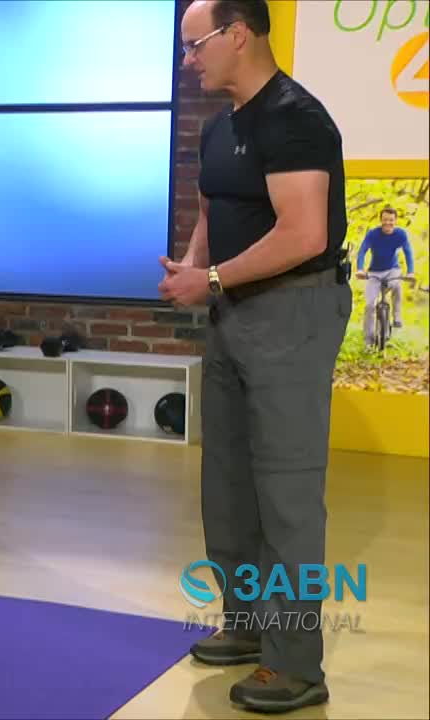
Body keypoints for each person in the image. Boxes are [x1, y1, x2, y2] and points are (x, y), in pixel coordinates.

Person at [159, 0, 349, 713]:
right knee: (229, 485)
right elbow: (214, 214)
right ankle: (245, 624)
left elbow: (303, 234)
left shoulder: (296, 119)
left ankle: (295, 664)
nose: (188, 61)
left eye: (195, 45)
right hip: (231, 314)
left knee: (287, 496)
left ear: (238, 34)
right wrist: (192, 264)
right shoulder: (220, 127)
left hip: (293, 311)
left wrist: (207, 280)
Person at [356, 205, 415, 346]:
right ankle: (368, 342)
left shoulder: (401, 234)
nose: (388, 223)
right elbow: (362, 251)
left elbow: (408, 252)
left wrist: (410, 272)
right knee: (369, 305)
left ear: (395, 221)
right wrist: (360, 269)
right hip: (374, 272)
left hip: (392, 270)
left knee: (397, 285)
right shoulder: (373, 234)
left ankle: (397, 317)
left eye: (391, 220)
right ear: (381, 220)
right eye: (385, 220)